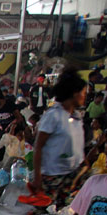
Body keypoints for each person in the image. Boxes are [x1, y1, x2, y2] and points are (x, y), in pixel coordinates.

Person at [32, 68, 87, 207]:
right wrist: (37, 176)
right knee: (42, 210)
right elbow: (38, 146)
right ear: (74, 94)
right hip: (52, 175)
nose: (85, 96)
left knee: (64, 212)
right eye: (83, 93)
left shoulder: (76, 116)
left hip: (71, 174)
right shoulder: (53, 116)